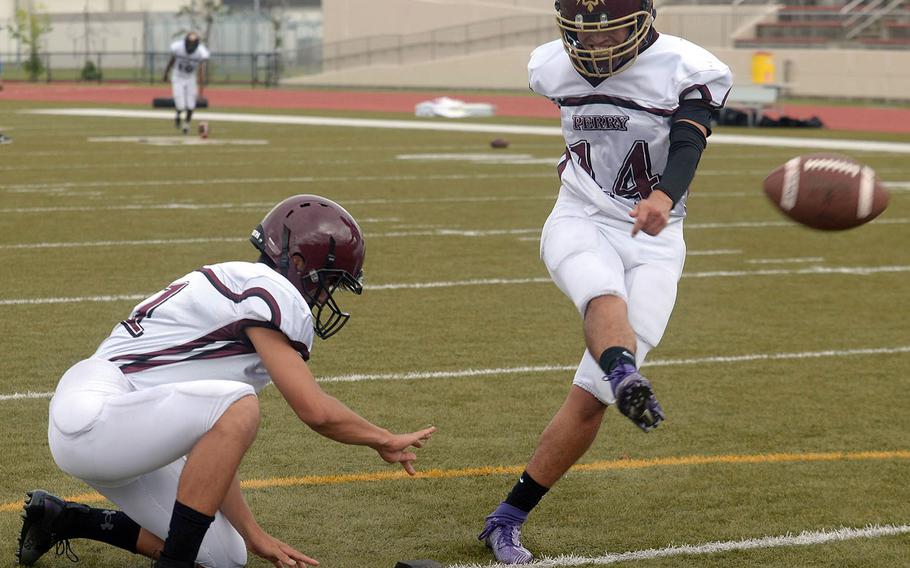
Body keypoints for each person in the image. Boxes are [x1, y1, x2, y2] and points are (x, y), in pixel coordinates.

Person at [17, 194, 437, 568]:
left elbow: (215, 447)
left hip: (117, 424)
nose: (326, 297)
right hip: (97, 406)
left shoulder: (240, 286)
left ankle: (64, 518)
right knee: (239, 404)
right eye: (329, 282)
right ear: (298, 264)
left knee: (225, 555)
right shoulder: (273, 290)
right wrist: (381, 438)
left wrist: (255, 536)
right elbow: (314, 411)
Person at [477, 1, 732, 563]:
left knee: (591, 398)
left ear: (641, 21)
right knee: (601, 293)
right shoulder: (551, 66)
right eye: (582, 34)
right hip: (580, 217)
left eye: (608, 31)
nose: (594, 46)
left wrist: (663, 195)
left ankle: (506, 518)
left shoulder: (687, 67)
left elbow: (690, 140)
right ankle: (624, 371)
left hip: (656, 235)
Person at [163, 32, 209, 135]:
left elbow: (201, 71)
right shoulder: (178, 48)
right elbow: (171, 61)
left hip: (190, 78)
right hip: (178, 76)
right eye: (190, 43)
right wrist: (166, 74)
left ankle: (186, 124)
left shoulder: (201, 52)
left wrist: (201, 91)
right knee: (180, 105)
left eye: (193, 44)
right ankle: (178, 115)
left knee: (191, 105)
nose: (191, 46)